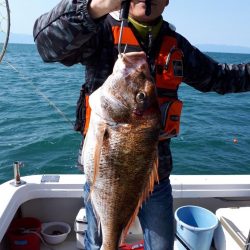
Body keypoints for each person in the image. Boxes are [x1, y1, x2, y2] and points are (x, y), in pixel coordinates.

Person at [33, 0, 250, 249]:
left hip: (157, 177)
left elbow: (220, 77)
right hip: (105, 176)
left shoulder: (177, 46)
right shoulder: (98, 31)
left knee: (161, 245)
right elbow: (46, 45)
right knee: (99, 242)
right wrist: (95, 6)